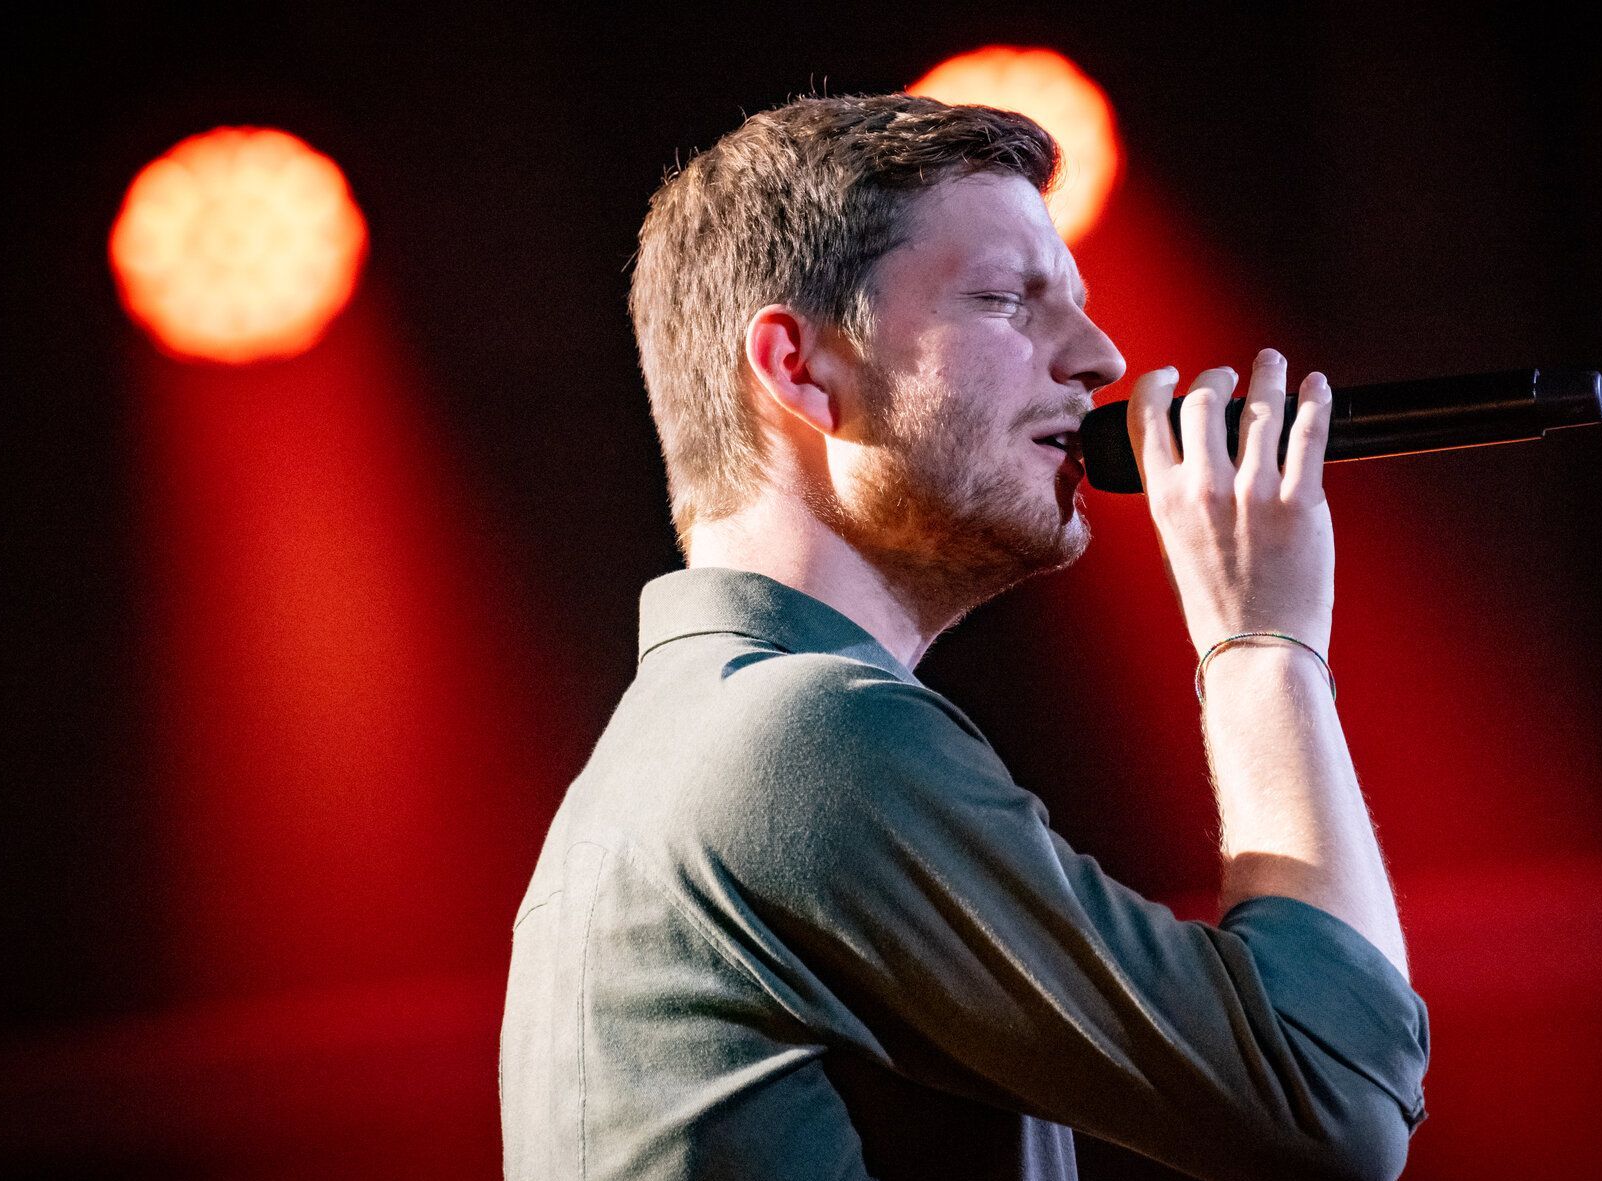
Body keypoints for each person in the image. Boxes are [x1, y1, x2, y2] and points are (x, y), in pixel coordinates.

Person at [500, 93, 1428, 1181]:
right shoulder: (799, 739)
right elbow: (1334, 1094)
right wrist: (1262, 639)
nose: (1098, 355)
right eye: (1004, 299)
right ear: (799, 366)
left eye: (1074, 305)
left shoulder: (683, 746)